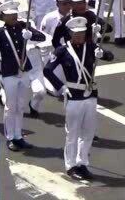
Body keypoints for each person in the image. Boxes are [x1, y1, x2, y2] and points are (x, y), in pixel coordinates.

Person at [44, 17, 107, 180]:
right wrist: (61, 87)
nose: (79, 35)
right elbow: (47, 70)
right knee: (72, 133)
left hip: (91, 95)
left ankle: (82, 163)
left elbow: (110, 56)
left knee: (88, 132)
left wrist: (103, 53)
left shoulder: (91, 46)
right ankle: (70, 165)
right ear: (70, 33)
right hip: (73, 95)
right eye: (76, 33)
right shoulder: (62, 51)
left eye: (82, 32)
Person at [0, 1, 46, 151]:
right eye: (10, 15)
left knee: (20, 106)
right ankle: (10, 137)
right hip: (9, 74)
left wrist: (31, 34)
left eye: (14, 14)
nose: (13, 16)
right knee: (10, 107)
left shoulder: (23, 27)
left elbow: (42, 37)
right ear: (3, 16)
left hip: (24, 71)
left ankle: (19, 136)